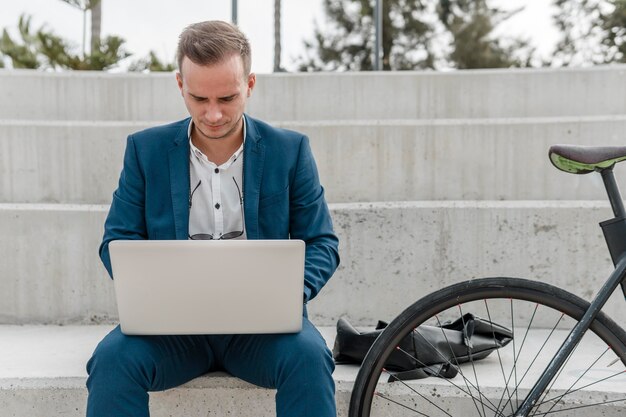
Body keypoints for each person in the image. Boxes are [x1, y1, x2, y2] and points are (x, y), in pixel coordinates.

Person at [86, 20, 340, 417]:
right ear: (179, 85)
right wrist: (151, 286)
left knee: (309, 358)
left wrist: (290, 292)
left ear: (250, 84)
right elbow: (116, 240)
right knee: (112, 360)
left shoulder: (289, 151)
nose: (214, 113)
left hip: (264, 330)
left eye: (228, 97)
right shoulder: (144, 150)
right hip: (171, 330)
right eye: (199, 98)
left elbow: (323, 242)